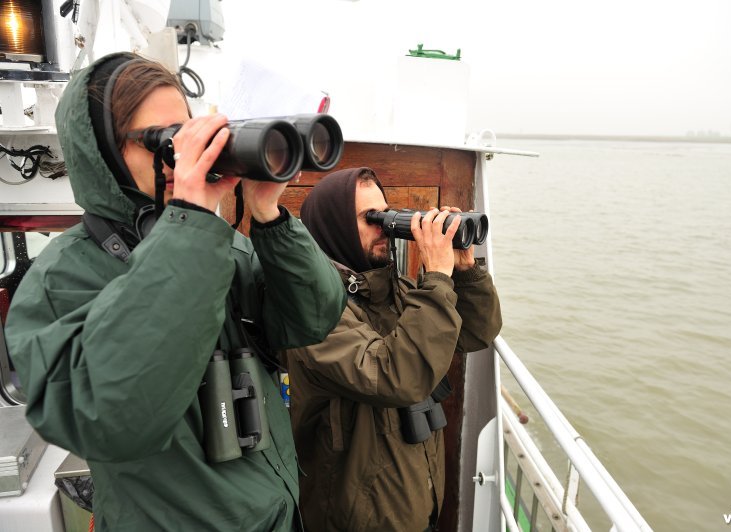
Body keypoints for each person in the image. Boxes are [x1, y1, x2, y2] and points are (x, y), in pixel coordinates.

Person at [5, 52, 346, 531]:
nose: (180, 156)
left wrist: (268, 214)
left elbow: (313, 316)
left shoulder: (217, 241)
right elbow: (110, 417)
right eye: (161, 141)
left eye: (188, 136)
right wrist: (192, 222)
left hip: (274, 516)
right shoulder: (61, 277)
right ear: (102, 153)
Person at [284, 167, 503, 531]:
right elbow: (394, 376)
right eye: (370, 218)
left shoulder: (396, 291)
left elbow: (475, 334)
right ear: (332, 227)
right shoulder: (313, 313)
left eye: (385, 213)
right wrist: (436, 279)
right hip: (355, 520)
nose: (384, 226)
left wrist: (464, 271)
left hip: (415, 507)